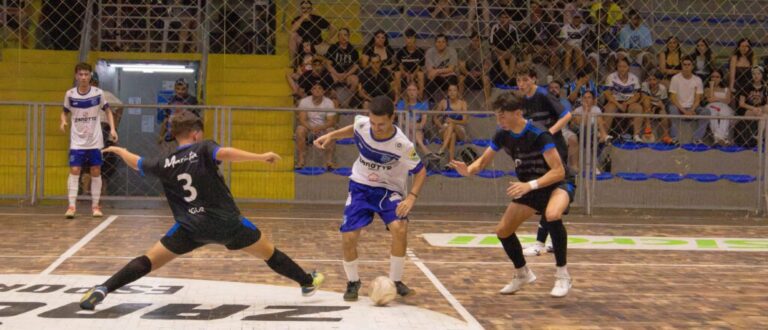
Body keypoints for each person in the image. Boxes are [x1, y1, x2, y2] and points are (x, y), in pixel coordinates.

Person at [80, 111, 324, 310]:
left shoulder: (164, 162)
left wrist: (119, 150)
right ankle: (307, 282)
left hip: (190, 228)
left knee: (148, 261)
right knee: (269, 253)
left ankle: (103, 289)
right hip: (227, 224)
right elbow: (225, 153)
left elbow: (138, 163)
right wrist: (261, 156)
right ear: (196, 133)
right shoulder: (204, 147)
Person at [450, 93, 574, 297]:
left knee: (552, 215)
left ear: (518, 113)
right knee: (503, 231)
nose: (500, 121)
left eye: (503, 116)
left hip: (556, 183)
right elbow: (482, 162)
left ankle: (562, 275)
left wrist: (530, 185)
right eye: (497, 117)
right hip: (529, 186)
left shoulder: (539, 134)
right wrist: (468, 170)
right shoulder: (502, 133)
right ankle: (522, 273)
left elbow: (558, 171)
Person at [313, 96, 427, 302]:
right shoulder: (363, 124)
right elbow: (354, 129)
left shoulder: (402, 144)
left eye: (381, 124)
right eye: (373, 123)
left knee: (400, 228)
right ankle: (353, 282)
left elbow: (421, 171)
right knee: (348, 237)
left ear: (393, 118)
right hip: (361, 186)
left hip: (388, 190)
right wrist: (332, 136)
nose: (376, 128)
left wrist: (411, 197)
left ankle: (396, 281)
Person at [515, 64, 572, 257]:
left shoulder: (544, 95)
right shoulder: (523, 101)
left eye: (525, 79)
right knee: (551, 198)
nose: (521, 84)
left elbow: (567, 115)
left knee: (550, 194)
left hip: (555, 150)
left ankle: (540, 243)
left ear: (534, 79)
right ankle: (552, 241)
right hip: (542, 151)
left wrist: (549, 133)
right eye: (518, 80)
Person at [60, 62, 118, 219]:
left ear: (90, 76)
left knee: (96, 171)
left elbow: (108, 111)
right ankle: (71, 207)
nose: (84, 77)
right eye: (81, 74)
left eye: (86, 74)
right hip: (77, 140)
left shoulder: (98, 93)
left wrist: (112, 129)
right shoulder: (70, 94)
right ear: (76, 76)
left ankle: (95, 206)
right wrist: (63, 121)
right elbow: (64, 112)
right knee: (74, 170)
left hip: (95, 140)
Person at [296, 83, 338, 169]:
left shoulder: (329, 102)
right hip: (308, 126)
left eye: (320, 88)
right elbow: (302, 120)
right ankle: (301, 160)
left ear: (323, 91)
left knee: (332, 131)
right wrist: (311, 128)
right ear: (311, 91)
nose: (317, 90)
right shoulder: (304, 101)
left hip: (323, 127)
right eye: (314, 88)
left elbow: (331, 122)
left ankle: (329, 161)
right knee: (299, 129)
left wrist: (319, 128)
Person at [667, 56, 709, 145]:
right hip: (679, 106)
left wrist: (691, 110)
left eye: (688, 64)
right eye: (684, 64)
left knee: (706, 112)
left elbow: (698, 99)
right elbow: (673, 97)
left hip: (692, 107)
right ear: (681, 66)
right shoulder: (675, 78)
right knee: (672, 109)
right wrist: (684, 111)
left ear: (692, 66)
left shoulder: (697, 80)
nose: (686, 66)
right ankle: (674, 137)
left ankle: (697, 138)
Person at [433, 84, 469, 163]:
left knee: (452, 125)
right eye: (450, 90)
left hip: (459, 129)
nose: (452, 92)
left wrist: (453, 121)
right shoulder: (443, 102)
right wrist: (441, 126)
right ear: (447, 92)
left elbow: (465, 121)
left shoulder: (463, 103)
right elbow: (435, 117)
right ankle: (451, 162)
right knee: (452, 135)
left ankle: (442, 149)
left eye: (454, 90)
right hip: (446, 129)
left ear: (458, 92)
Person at [705, 69, 734, 145]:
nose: (715, 78)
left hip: (723, 106)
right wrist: (711, 86)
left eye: (717, 77)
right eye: (713, 77)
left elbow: (728, 101)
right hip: (712, 106)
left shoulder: (726, 89)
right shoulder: (707, 89)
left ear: (721, 79)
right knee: (713, 114)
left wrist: (716, 98)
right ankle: (721, 138)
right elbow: (710, 100)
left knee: (724, 113)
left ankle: (719, 137)